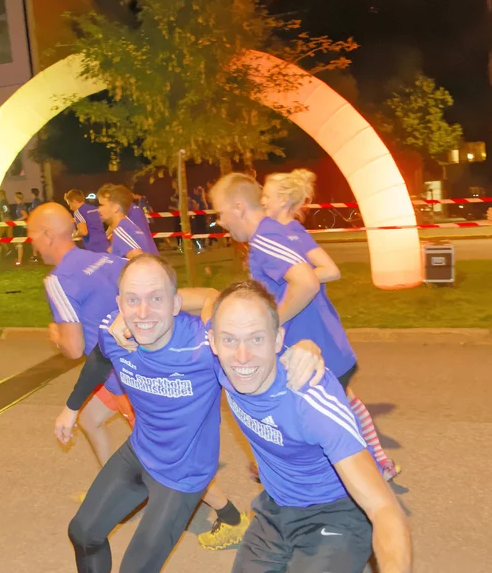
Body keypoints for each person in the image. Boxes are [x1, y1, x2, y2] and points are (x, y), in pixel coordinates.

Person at [62, 254, 324, 571]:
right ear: (120, 303)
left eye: (155, 299)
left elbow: (259, 361)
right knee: (83, 533)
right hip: (141, 451)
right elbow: (99, 359)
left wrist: (306, 348)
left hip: (184, 475)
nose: (142, 313)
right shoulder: (115, 333)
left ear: (176, 304)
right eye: (133, 301)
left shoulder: (203, 348)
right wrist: (70, 408)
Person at [209, 280, 411, 573]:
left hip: (337, 513)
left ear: (278, 340)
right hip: (275, 509)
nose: (242, 356)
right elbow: (201, 300)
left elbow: (383, 509)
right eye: (229, 340)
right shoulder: (219, 362)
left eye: (256, 339)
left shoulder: (310, 400)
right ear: (213, 341)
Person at [210, 172, 400, 480]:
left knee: (318, 419)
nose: (220, 221)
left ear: (239, 207)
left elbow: (307, 281)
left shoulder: (266, 237)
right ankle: (364, 470)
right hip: (323, 348)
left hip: (315, 352)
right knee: (334, 410)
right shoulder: (280, 231)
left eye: (221, 212)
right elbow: (310, 275)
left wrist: (270, 326)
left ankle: (364, 478)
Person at [27, 203, 134, 465]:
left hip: (125, 380)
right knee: (89, 419)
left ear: (48, 236)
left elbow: (74, 349)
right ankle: (112, 486)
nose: (34, 246)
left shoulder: (58, 279)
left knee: (171, 460)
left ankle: (226, 508)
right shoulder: (105, 259)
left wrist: (56, 335)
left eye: (33, 238)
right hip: (124, 365)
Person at [96, 184, 158, 258]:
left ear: (115, 207)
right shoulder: (127, 226)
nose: (98, 209)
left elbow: (141, 262)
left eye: (101, 205)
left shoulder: (121, 231)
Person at [64, 188, 109, 253]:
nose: (70, 208)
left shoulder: (78, 212)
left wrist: (74, 235)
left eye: (69, 204)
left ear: (74, 201)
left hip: (92, 247)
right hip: (105, 244)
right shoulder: (95, 209)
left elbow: (83, 232)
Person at [13, 192, 28, 266]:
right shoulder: (20, 205)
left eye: (15, 197)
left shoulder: (20, 206)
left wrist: (17, 220)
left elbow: (25, 215)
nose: (14, 198)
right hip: (20, 226)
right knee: (18, 243)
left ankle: (19, 261)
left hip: (21, 226)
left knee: (19, 244)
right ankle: (19, 259)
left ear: (17, 198)